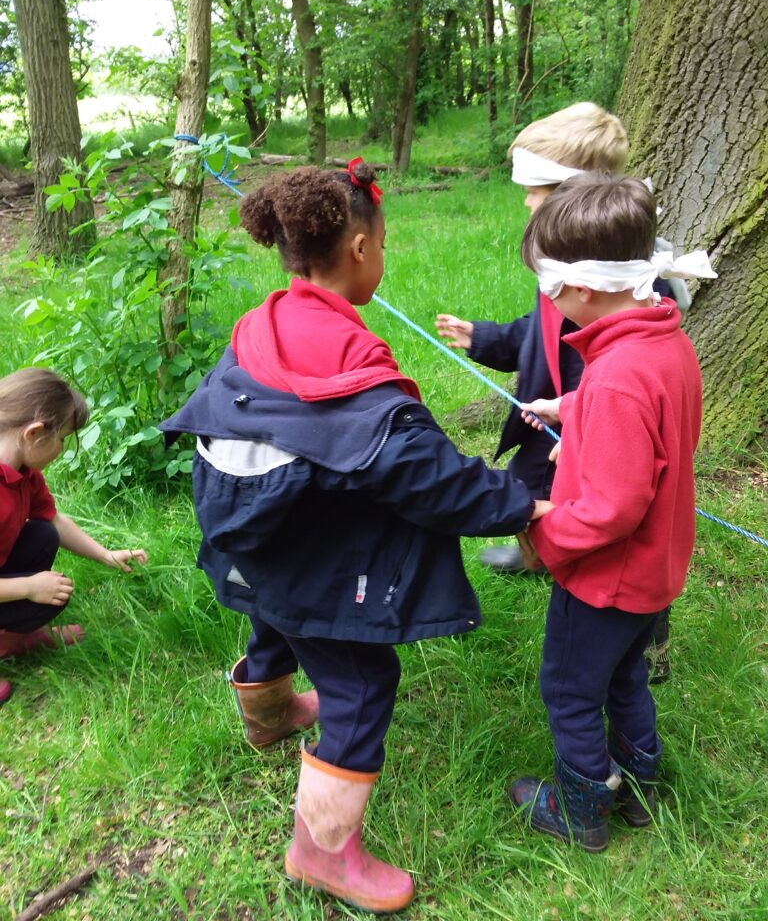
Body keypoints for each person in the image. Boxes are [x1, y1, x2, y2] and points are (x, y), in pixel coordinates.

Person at [160, 159, 553, 914]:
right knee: (362, 680)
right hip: (290, 532)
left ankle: (267, 712)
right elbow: (427, 476)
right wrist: (521, 504)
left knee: (276, 598)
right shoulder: (347, 360)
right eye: (386, 240)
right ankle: (322, 851)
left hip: (247, 522)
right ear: (363, 249)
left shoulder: (268, 316)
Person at [506, 173, 715, 851]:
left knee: (569, 690)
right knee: (626, 678)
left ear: (584, 288)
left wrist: (540, 530)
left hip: (605, 580)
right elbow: (649, 422)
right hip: (655, 573)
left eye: (548, 286)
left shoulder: (619, 373)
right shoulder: (661, 343)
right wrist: (571, 408)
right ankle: (640, 788)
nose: (546, 299)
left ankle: (582, 810)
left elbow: (612, 509)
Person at [434, 101, 676, 683]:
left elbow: (621, 379)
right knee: (525, 489)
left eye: (536, 190)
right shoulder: (567, 262)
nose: (525, 202)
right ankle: (536, 553)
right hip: (555, 421)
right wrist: (485, 339)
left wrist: (585, 433)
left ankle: (648, 636)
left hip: (598, 432)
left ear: (576, 195)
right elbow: (538, 331)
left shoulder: (622, 281)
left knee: (625, 529)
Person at [0, 368, 148, 704]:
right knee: (45, 590)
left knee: (41, 535)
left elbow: (53, 521)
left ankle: (8, 638)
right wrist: (28, 587)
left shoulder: (23, 472)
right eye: (63, 438)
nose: (63, 448)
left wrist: (106, 554)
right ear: (35, 433)